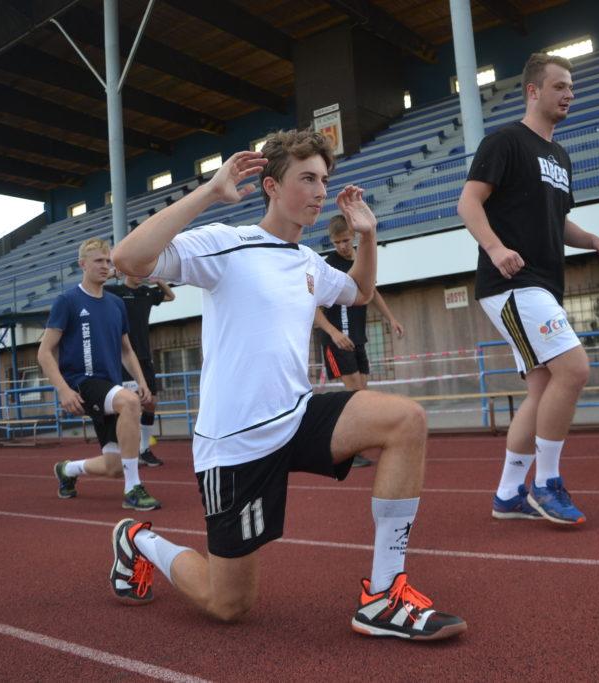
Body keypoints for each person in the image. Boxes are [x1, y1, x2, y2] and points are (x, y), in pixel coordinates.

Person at [109, 130, 466, 640]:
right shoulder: (226, 244)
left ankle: (383, 597)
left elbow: (361, 291)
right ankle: (138, 541)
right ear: (272, 186)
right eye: (308, 179)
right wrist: (209, 192)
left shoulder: (308, 262)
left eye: (324, 180)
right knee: (229, 604)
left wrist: (367, 235)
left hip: (296, 416)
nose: (321, 191)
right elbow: (129, 259)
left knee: (405, 420)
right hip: (235, 444)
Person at [458, 53, 599, 525]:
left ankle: (509, 493)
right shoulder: (505, 141)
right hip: (512, 283)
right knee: (574, 369)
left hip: (544, 284)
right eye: (559, 86)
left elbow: (557, 220)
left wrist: (592, 240)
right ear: (533, 91)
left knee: (544, 385)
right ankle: (546, 484)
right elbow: (468, 201)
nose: (569, 94)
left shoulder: (560, 157)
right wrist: (495, 248)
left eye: (571, 87)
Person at [37, 238, 161, 511]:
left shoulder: (116, 303)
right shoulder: (68, 301)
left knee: (114, 466)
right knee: (129, 402)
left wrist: (141, 381)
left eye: (108, 261)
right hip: (82, 382)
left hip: (109, 385)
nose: (105, 266)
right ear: (83, 264)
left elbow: (126, 350)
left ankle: (66, 470)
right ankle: (133, 489)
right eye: (98, 261)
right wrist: (63, 389)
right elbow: (44, 352)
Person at [314, 214, 405, 467]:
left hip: (358, 337)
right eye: (337, 242)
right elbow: (312, 305)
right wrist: (334, 333)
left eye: (345, 240)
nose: (342, 246)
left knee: (361, 392)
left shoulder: (360, 261)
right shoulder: (328, 267)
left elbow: (371, 291)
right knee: (355, 395)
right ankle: (347, 448)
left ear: (353, 237)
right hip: (337, 339)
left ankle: (354, 442)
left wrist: (391, 318)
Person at [104, 272, 175, 467]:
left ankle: (144, 450)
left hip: (144, 357)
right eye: (134, 272)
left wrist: (159, 280)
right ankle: (126, 450)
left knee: (151, 402)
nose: (139, 276)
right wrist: (112, 273)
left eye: (141, 273)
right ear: (126, 272)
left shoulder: (146, 293)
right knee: (131, 404)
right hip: (125, 358)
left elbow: (170, 296)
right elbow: (92, 288)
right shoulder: (115, 291)